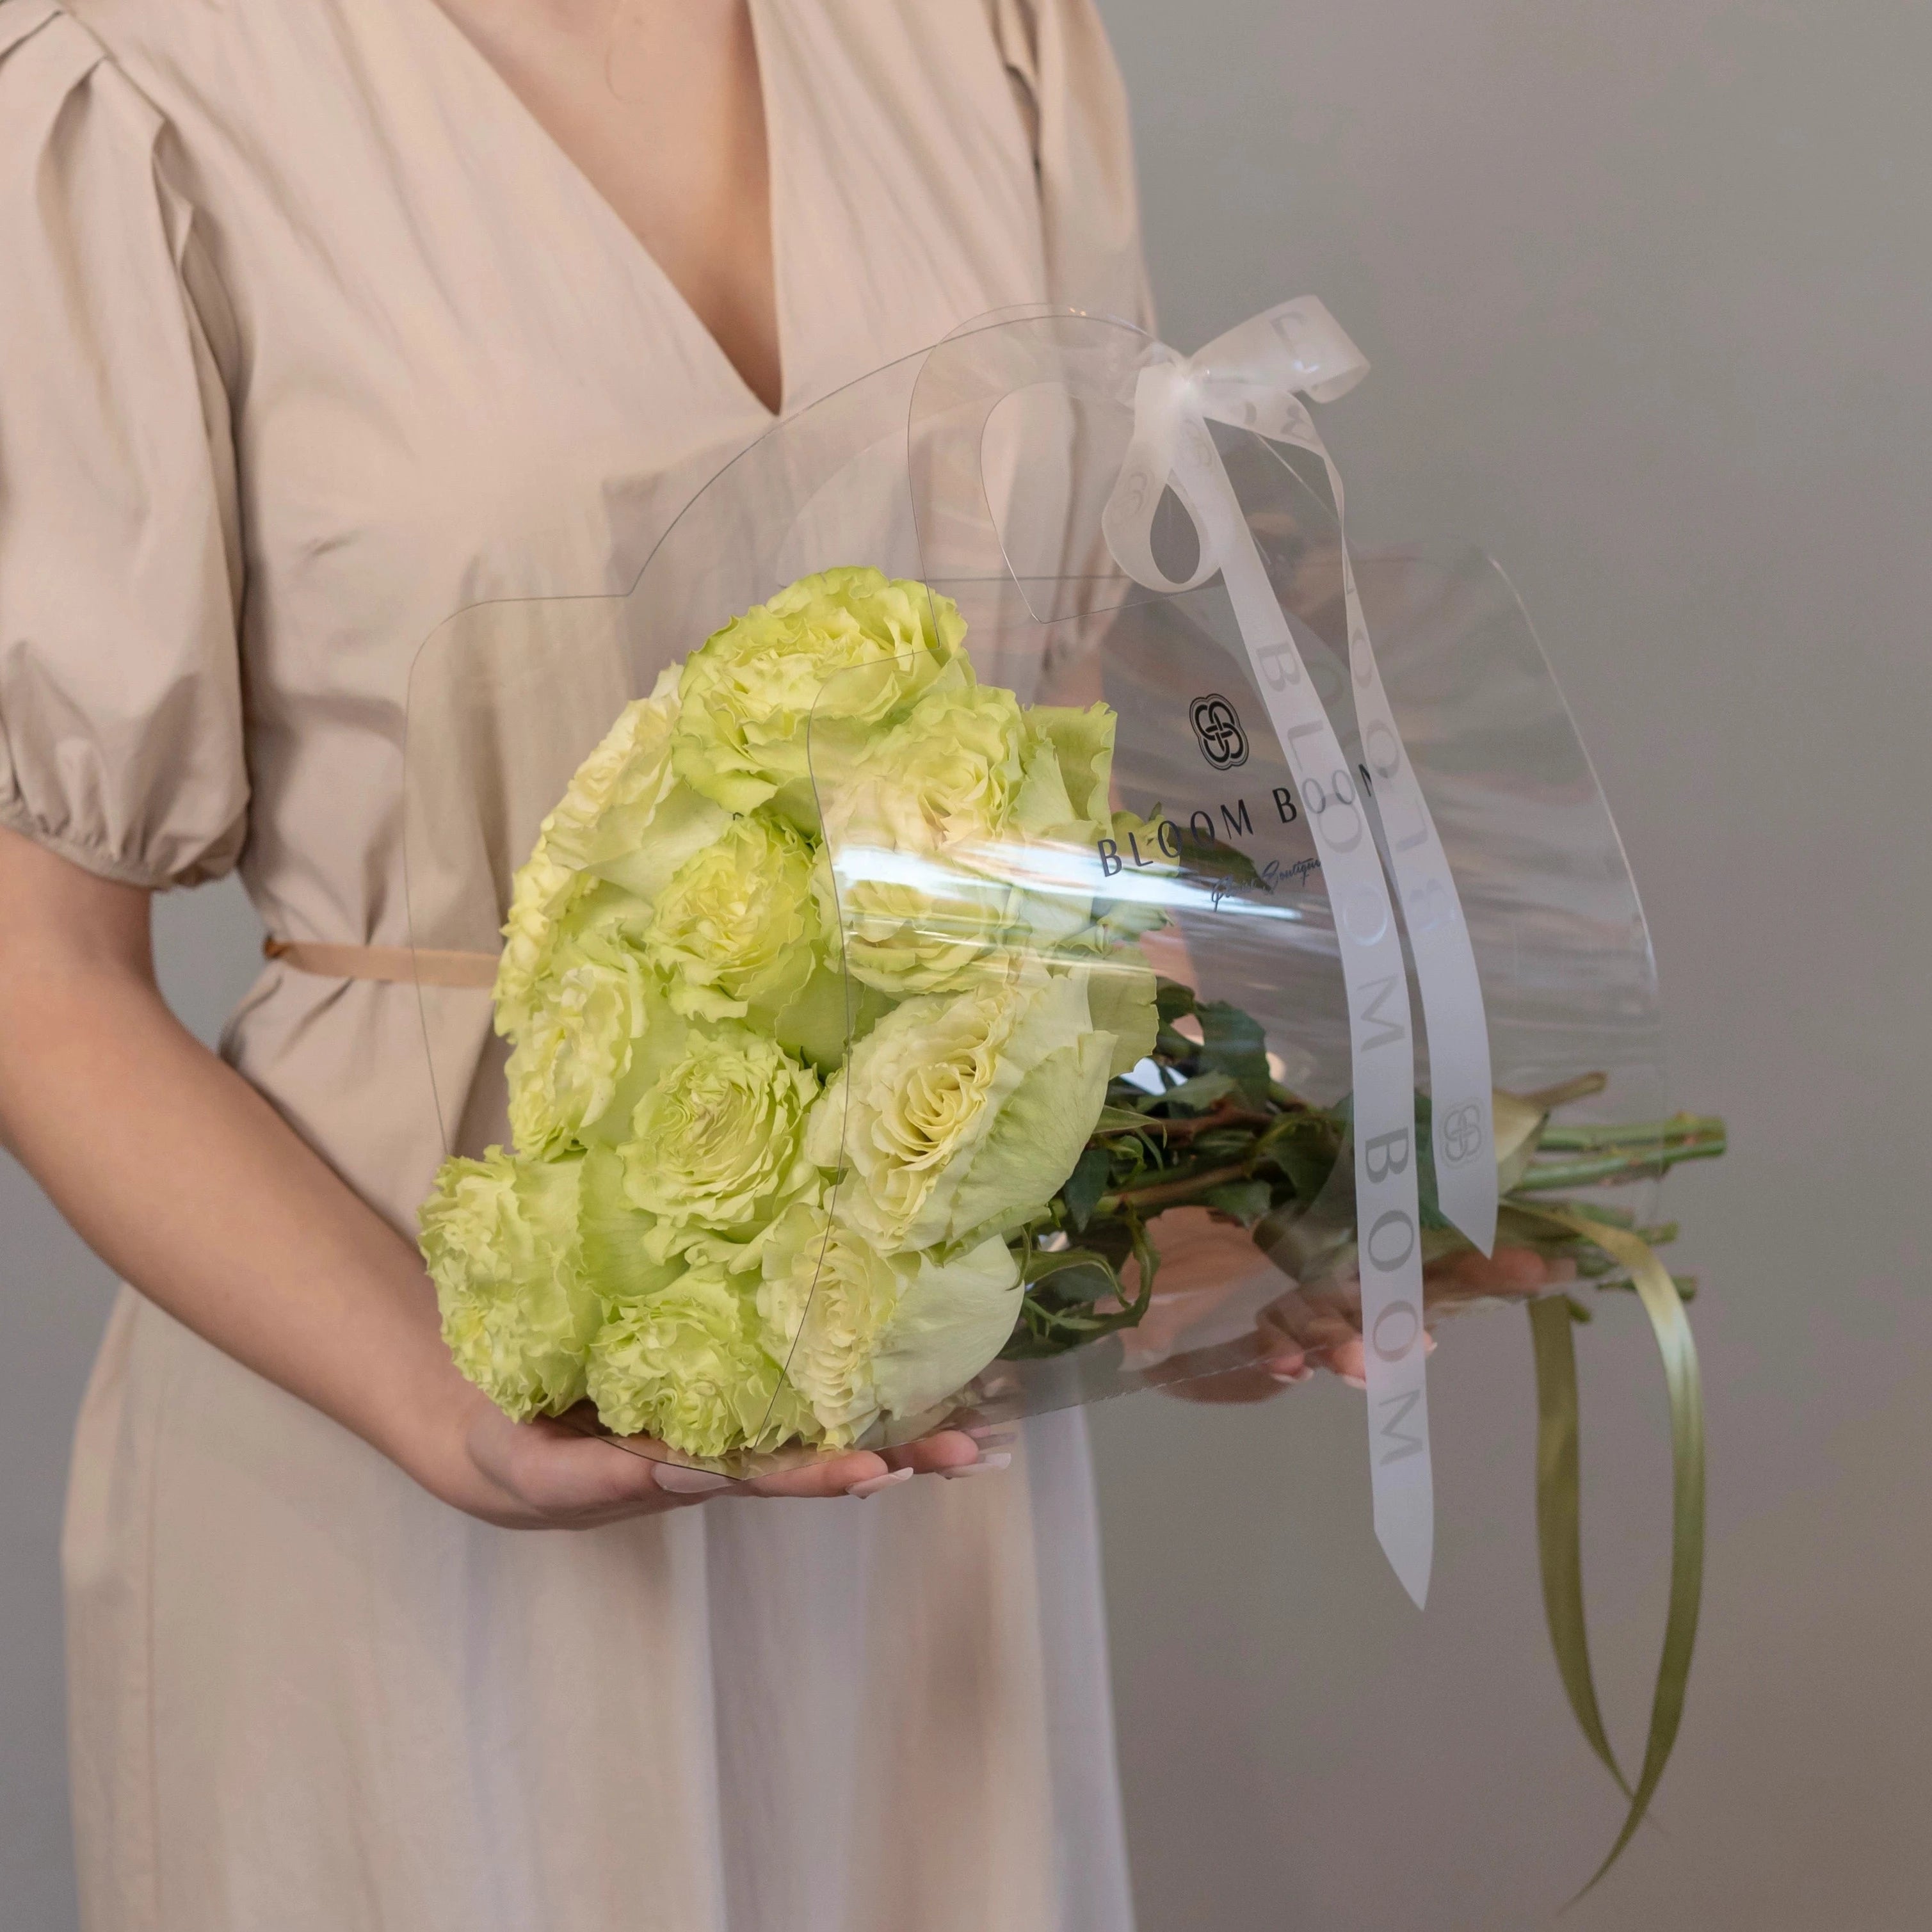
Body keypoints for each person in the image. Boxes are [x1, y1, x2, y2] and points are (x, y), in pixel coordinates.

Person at [0, 1, 1261, 1926]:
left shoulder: (985, 36)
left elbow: (1045, 776)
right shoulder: (129, 77)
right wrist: (452, 1410)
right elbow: (37, 969)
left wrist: (1205, 1187)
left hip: (912, 1445)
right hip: (394, 1389)